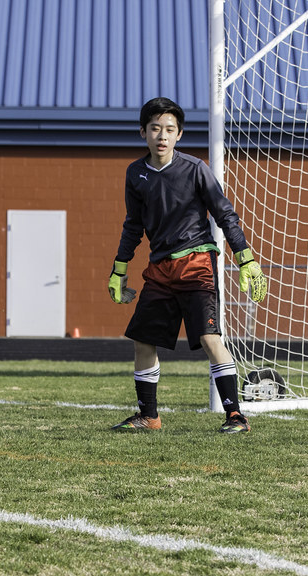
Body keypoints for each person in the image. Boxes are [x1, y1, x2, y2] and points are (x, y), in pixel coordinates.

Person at [107, 96, 267, 434]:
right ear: (143, 132)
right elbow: (133, 225)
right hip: (160, 269)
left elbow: (225, 214)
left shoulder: (196, 169)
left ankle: (235, 416)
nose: (162, 136)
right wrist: (120, 268)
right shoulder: (135, 173)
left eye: (169, 129)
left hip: (197, 263)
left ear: (179, 134)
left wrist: (245, 258)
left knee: (209, 338)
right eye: (155, 129)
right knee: (142, 340)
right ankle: (149, 417)